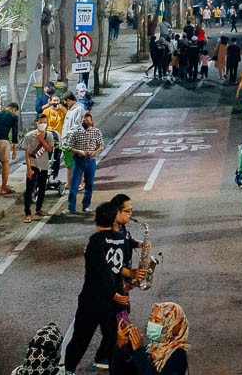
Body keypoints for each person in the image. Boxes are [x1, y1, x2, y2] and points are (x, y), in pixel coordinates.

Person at [64, 203, 145, 372]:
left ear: (96, 219)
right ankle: (111, 363)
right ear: (114, 219)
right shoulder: (122, 240)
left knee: (81, 337)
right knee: (114, 335)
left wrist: (112, 293)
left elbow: (100, 269)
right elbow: (121, 267)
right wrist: (123, 287)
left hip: (93, 299)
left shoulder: (95, 241)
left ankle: (68, 369)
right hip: (115, 300)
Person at [113, 302, 190, 375]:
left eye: (157, 321)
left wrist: (138, 352)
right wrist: (120, 346)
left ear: (173, 327)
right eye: (150, 319)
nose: (151, 323)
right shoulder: (149, 349)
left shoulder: (177, 355)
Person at [65, 113, 104, 215]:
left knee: (89, 184)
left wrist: (95, 152)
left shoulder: (96, 132)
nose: (85, 122)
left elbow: (101, 145)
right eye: (83, 121)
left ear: (91, 122)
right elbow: (69, 146)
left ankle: (86, 206)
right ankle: (71, 207)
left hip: (91, 161)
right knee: (74, 184)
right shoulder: (76, 132)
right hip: (78, 160)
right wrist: (79, 151)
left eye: (87, 121)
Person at [22, 113, 54, 223]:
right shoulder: (29, 136)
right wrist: (29, 169)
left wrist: (42, 140)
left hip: (44, 165)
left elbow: (50, 150)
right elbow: (27, 153)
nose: (43, 124)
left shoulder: (49, 135)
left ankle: (39, 209)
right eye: (41, 122)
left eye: (45, 122)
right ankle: (27, 213)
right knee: (29, 189)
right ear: (36, 123)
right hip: (33, 165)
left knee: (42, 188)